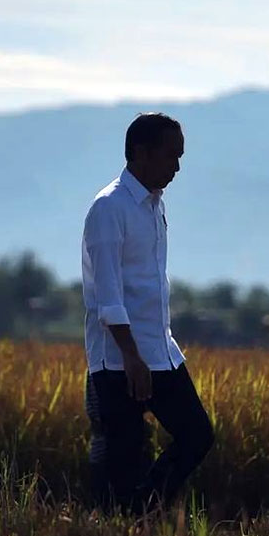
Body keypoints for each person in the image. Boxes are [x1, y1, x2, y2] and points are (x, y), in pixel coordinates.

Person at [82, 113, 215, 513]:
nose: (177, 167)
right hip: (121, 359)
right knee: (122, 459)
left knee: (197, 435)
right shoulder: (110, 208)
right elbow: (109, 296)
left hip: (160, 351)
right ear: (141, 153)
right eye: (171, 156)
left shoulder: (154, 206)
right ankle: (121, 526)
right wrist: (132, 357)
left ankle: (142, 511)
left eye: (180, 157)